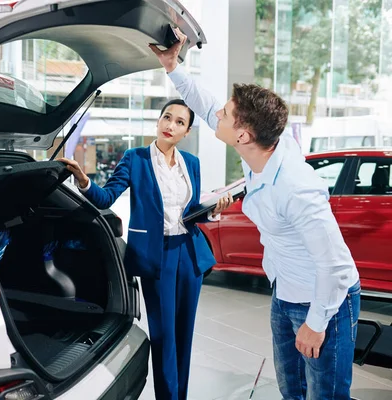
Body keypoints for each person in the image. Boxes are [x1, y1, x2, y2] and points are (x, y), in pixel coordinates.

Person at [150, 28, 361, 400]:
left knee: (324, 396)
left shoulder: (296, 187)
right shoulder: (262, 149)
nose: (217, 114)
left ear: (243, 135)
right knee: (291, 391)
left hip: (324, 300)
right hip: (285, 292)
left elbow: (334, 266)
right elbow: (205, 103)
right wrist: (173, 67)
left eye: (227, 114)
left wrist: (316, 323)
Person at [59, 99, 233, 400]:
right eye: (167, 117)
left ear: (187, 131)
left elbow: (190, 210)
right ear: (158, 121)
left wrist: (212, 210)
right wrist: (84, 180)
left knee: (183, 335)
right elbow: (106, 197)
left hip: (189, 255)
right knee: (164, 337)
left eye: (179, 122)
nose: (171, 125)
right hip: (157, 256)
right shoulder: (135, 158)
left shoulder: (191, 163)